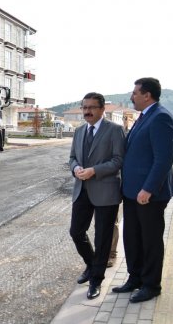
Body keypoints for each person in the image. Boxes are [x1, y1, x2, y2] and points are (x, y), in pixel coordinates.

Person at [114, 77, 173, 303]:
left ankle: (151, 285)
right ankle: (135, 278)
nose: (132, 96)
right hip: (132, 192)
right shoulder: (144, 117)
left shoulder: (161, 118)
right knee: (132, 238)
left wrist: (148, 189)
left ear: (147, 95)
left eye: (135, 93)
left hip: (149, 195)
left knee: (150, 240)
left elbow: (164, 159)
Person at [68, 92, 125, 300]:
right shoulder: (79, 131)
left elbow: (119, 160)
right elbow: (73, 158)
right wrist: (75, 169)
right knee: (76, 232)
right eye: (84, 107)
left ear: (102, 109)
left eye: (91, 107)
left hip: (106, 191)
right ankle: (92, 265)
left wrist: (94, 171)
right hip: (81, 189)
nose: (87, 111)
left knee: (102, 239)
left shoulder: (115, 130)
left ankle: (96, 280)